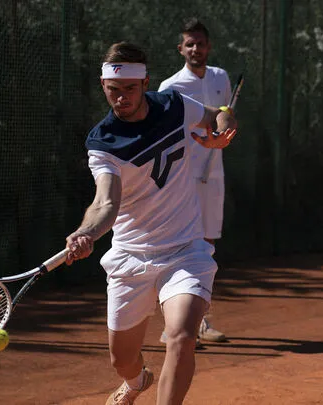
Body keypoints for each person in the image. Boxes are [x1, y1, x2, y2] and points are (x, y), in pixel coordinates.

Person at [64, 42, 237, 405]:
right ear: (102, 85)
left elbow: (216, 114)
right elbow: (105, 203)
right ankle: (136, 380)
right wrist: (86, 232)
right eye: (114, 90)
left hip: (185, 250)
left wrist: (223, 127)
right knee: (122, 359)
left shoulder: (172, 106)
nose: (121, 98)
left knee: (182, 335)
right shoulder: (103, 141)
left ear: (145, 83)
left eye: (129, 89)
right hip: (130, 256)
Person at [158, 18, 231, 344]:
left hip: (213, 176)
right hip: (180, 179)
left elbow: (225, 115)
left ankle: (199, 321)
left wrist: (225, 130)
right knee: (179, 248)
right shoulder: (170, 88)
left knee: (207, 249)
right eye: (189, 44)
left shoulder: (220, 77)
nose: (195, 49)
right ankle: (173, 325)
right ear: (180, 49)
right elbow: (161, 136)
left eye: (200, 43)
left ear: (208, 46)